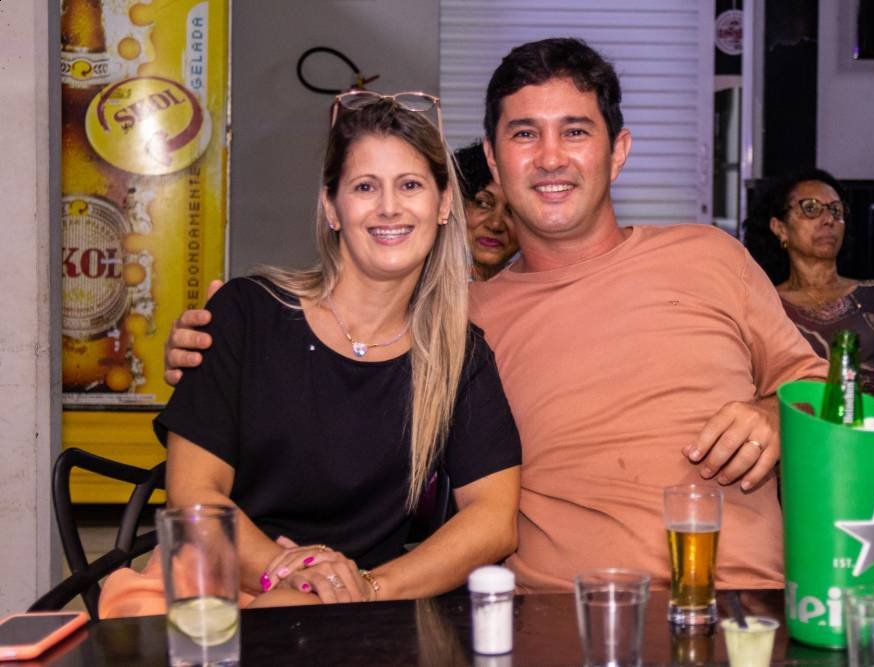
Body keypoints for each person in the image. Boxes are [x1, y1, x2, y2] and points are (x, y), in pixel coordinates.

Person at [165, 39, 828, 593]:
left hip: (738, 601)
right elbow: (338, 368)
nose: (550, 157)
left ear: (619, 149)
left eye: (575, 131)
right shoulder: (458, 325)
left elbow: (830, 391)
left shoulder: (709, 255)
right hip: (555, 619)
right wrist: (219, 346)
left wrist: (775, 412)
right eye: (525, 134)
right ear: (491, 158)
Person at [100, 93, 521, 617]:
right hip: (213, 591)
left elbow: (492, 519)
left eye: (410, 185)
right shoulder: (246, 314)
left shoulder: (459, 355)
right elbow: (193, 496)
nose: (389, 207)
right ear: (331, 207)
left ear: (442, 205)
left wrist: (366, 588)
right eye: (364, 187)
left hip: (355, 611)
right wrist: (291, 575)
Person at [743, 168, 874, 389]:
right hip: (798, 410)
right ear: (779, 228)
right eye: (811, 208)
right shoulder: (767, 304)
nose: (828, 219)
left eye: (836, 210)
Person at [454, 140, 519, 280]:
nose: (496, 224)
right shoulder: (420, 286)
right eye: (483, 204)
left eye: (513, 212)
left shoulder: (535, 289)